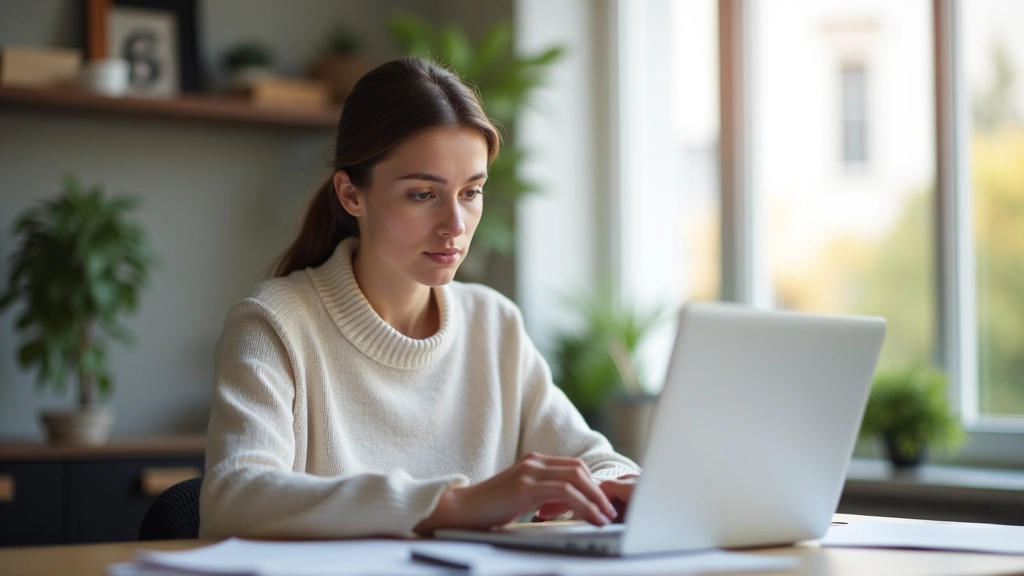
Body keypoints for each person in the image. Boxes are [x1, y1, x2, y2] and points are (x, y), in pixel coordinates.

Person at [199, 57, 640, 539]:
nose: (455, 224)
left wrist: (616, 486)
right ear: (351, 195)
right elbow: (235, 496)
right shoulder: (273, 324)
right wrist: (454, 504)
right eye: (422, 195)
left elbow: (596, 460)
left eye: (471, 192)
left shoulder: (493, 323)